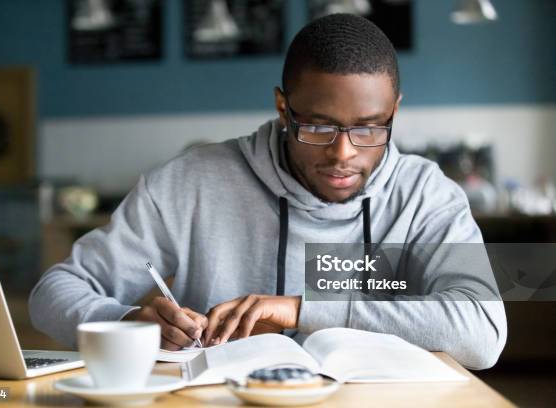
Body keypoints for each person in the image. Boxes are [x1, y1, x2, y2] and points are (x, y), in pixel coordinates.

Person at [30, 14, 506, 369]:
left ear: (394, 111)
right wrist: (129, 320)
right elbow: (53, 292)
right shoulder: (190, 181)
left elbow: (483, 332)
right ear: (284, 107)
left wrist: (300, 310)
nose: (343, 153)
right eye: (318, 127)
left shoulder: (426, 195)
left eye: (368, 128)